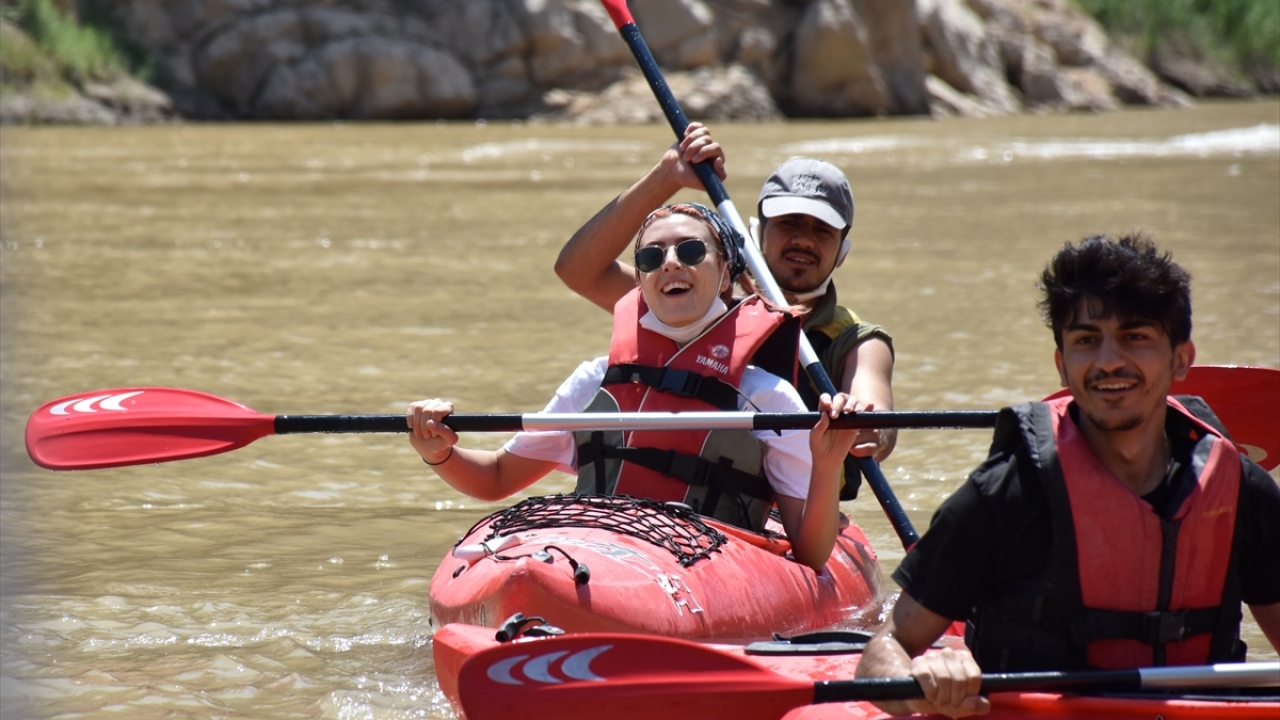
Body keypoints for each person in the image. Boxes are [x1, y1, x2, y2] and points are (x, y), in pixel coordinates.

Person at [854, 234, 1280, 718]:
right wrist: (923, 684)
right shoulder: (1008, 493)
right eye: (1085, 341)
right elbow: (882, 654)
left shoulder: (1243, 493)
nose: (1108, 361)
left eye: (1135, 336)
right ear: (1062, 365)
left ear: (1182, 358)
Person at [408, 203, 860, 572]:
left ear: (725, 275)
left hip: (707, 567)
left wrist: (827, 463)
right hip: (594, 551)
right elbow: (496, 478)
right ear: (641, 281)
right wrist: (439, 452)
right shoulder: (594, 381)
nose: (670, 263)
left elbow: (811, 553)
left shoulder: (769, 398)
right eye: (650, 257)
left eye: (690, 251)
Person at [554, 124, 896, 499]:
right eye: (789, 223)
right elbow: (578, 270)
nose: (802, 239)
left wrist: (871, 429)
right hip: (687, 504)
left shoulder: (858, 341)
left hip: (794, 514)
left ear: (842, 251)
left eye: (821, 230)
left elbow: (876, 413)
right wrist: (667, 176)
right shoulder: (691, 300)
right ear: (755, 232)